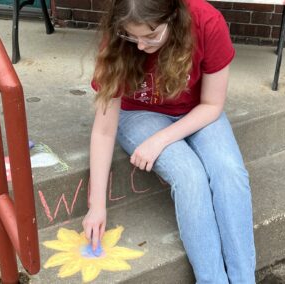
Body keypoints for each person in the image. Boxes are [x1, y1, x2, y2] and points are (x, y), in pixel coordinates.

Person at [83, 0, 256, 282]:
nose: (140, 45)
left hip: (199, 110)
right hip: (139, 114)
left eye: (150, 36)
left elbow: (212, 105)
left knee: (229, 172)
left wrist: (160, 140)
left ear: (173, 16)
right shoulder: (117, 39)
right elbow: (103, 131)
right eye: (132, 36)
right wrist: (96, 205)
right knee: (189, 175)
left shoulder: (206, 22)